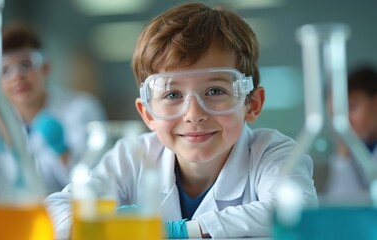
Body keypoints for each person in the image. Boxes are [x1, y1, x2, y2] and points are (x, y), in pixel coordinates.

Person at [45, 3, 318, 238]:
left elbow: (297, 211)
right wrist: (105, 228)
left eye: (215, 91)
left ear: (252, 104)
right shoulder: (133, 157)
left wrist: (179, 231)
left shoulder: (273, 153)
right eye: (173, 94)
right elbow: (56, 208)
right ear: (148, 113)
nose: (193, 114)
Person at [0, 22, 107, 195]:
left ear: (45, 67)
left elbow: (95, 183)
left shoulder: (81, 109)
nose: (17, 76)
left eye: (26, 65)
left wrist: (63, 153)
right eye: (5, 70)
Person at [324, 65, 377, 201]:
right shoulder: (351, 152)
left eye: (352, 107)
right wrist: (343, 154)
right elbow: (341, 206)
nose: (344, 121)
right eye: (335, 115)